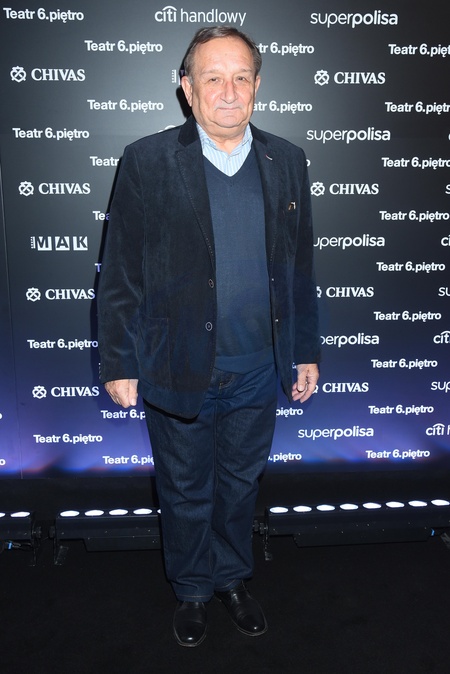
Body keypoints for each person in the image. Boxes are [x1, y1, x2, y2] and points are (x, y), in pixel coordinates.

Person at [97, 25, 320, 647]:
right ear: (187, 89)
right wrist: (120, 360)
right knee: (184, 490)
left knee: (240, 487)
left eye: (241, 77)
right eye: (213, 78)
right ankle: (193, 587)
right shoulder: (146, 160)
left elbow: (300, 266)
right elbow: (120, 272)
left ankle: (232, 578)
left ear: (257, 86)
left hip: (259, 368)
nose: (228, 91)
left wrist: (305, 350)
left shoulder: (287, 160)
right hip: (176, 364)